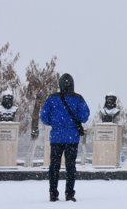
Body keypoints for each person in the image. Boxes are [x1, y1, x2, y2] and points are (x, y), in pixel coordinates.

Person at [40, 73, 89, 202]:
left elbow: (43, 116)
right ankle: (69, 194)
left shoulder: (52, 98)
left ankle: (53, 193)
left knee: (54, 167)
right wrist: (73, 122)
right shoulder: (78, 98)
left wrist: (55, 123)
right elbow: (84, 116)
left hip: (56, 138)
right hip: (72, 138)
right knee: (70, 167)